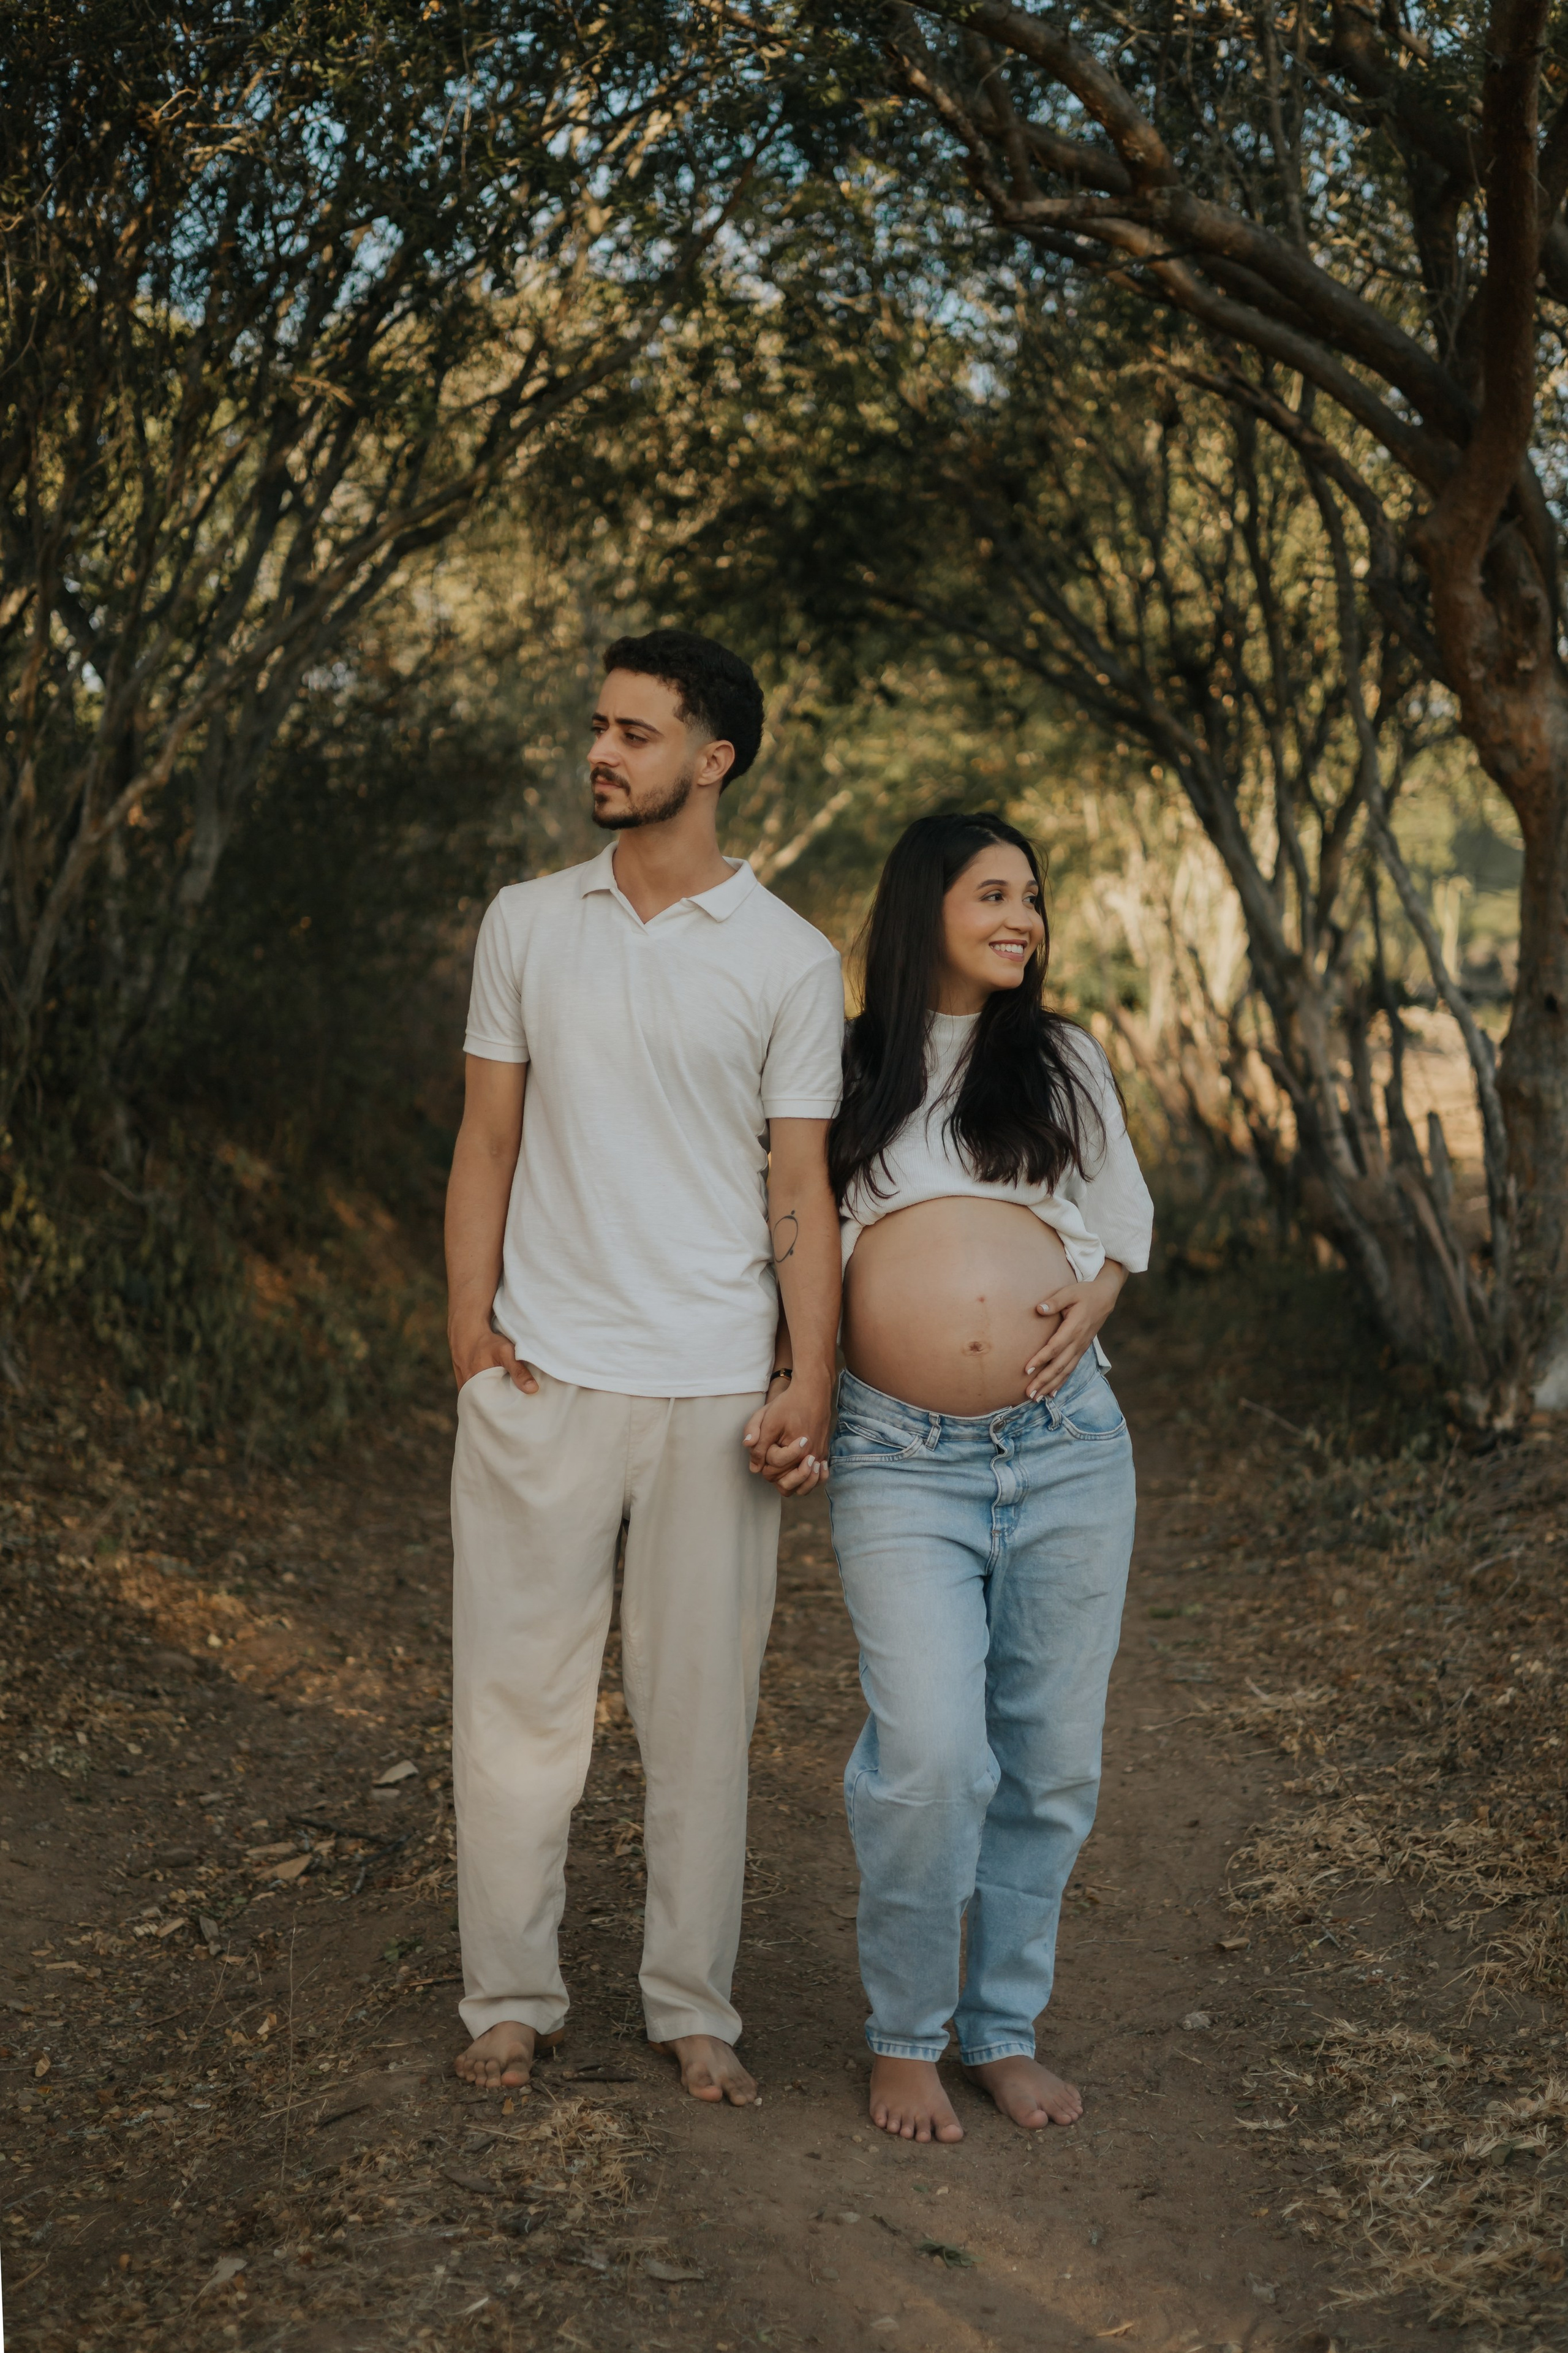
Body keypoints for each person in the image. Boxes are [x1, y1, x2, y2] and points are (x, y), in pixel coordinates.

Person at [444, 629, 842, 2109]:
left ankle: (691, 2005)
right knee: (513, 1712)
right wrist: (471, 1346)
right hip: (542, 1381)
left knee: (698, 1726)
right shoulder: (525, 922)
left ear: (711, 757)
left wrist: (810, 1376)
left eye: (633, 732)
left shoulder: (791, 958)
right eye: (597, 728)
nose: (600, 753)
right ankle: (509, 2000)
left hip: (712, 1392)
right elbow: (486, 1141)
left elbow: (796, 1184)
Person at [823, 810, 1153, 2144]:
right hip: (897, 1458)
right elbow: (793, 1239)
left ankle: (998, 2027)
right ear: (924, 908)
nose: (1022, 917)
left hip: (1066, 1445)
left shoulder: (1059, 1056)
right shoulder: (843, 1065)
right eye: (992, 892)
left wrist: (1091, 1305)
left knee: (1049, 1764)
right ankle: (905, 2032)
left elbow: (1116, 1214)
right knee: (929, 1757)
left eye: (1032, 896)